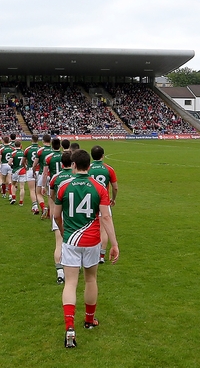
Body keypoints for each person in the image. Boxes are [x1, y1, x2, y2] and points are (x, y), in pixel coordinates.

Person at [52, 149, 119, 348]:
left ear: (73, 165)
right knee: (90, 279)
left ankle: (69, 327)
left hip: (71, 240)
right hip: (91, 241)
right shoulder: (99, 187)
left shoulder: (64, 186)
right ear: (89, 166)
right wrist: (114, 244)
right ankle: (89, 320)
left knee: (70, 283)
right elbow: (106, 217)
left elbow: (56, 215)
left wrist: (64, 231)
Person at [88, 145, 119, 264]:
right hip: (104, 201)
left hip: (90, 200)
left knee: (90, 226)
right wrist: (113, 199)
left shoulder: (88, 168)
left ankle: (89, 252)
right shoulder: (109, 169)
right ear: (102, 155)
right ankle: (101, 256)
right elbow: (115, 187)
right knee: (104, 229)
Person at [48, 150, 75, 284]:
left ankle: (60, 273)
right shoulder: (76, 176)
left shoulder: (56, 177)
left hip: (60, 212)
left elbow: (52, 196)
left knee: (59, 243)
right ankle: (74, 268)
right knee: (74, 242)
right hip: (74, 214)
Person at [23, 134, 40, 214]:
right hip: (39, 171)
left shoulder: (27, 149)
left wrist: (26, 166)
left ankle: (35, 206)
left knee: (32, 190)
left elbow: (23, 161)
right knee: (38, 190)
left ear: (31, 140)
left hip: (30, 170)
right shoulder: (41, 149)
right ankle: (43, 206)